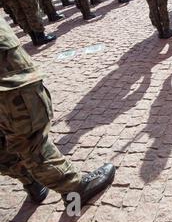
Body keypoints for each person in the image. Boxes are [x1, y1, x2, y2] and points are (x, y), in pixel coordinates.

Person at [0, 16, 116, 207]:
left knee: (3, 142)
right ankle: (74, 188)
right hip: (7, 77)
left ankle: (31, 182)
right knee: (30, 138)